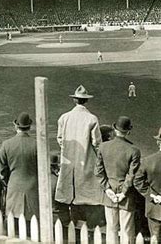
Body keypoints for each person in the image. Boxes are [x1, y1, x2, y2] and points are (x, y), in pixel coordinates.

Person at [55, 85, 104, 228]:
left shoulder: (64, 117)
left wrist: (67, 149)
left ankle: (71, 222)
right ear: (86, 101)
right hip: (86, 157)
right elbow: (97, 143)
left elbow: (60, 139)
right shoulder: (91, 118)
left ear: (74, 100)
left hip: (68, 158)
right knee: (87, 190)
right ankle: (88, 224)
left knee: (68, 188)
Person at [95, 116, 141, 244]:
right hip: (126, 196)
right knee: (126, 229)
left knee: (111, 228)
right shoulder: (134, 150)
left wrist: (108, 189)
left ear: (115, 130)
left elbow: (98, 172)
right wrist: (123, 192)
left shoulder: (103, 147)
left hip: (108, 194)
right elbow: (132, 175)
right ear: (128, 131)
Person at [134, 126, 161, 244]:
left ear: (158, 142)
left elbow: (137, 181)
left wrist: (150, 195)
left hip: (154, 207)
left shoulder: (148, 160)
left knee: (155, 239)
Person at [0, 112, 39, 220]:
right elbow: (43, 167)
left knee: (13, 218)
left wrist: (7, 181)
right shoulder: (37, 144)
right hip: (33, 186)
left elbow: (1, 168)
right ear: (29, 127)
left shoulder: (7, 144)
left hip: (14, 184)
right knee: (33, 219)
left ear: (16, 126)